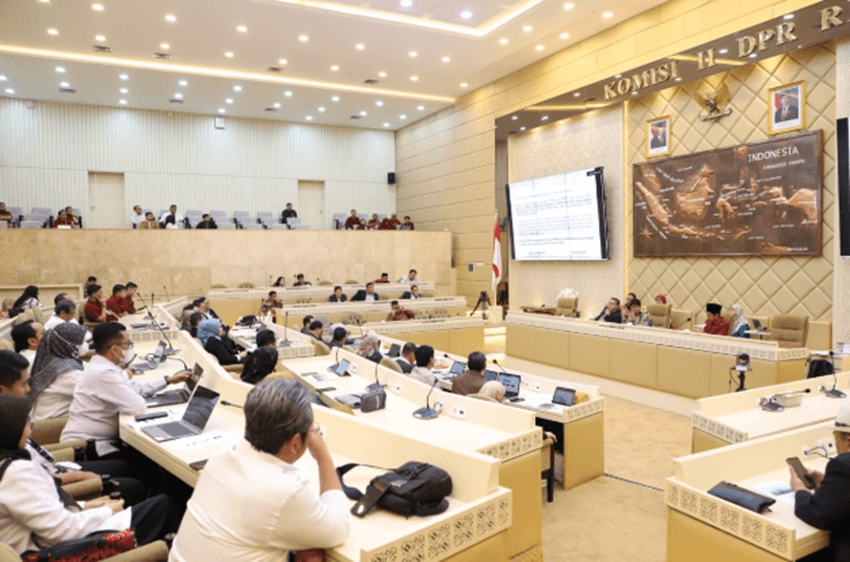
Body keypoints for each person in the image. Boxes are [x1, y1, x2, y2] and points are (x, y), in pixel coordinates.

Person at [169, 379, 349, 562]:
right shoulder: (285, 492)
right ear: (295, 442)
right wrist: (323, 455)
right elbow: (339, 528)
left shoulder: (223, 455)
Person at [0, 394, 182, 554]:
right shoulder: (16, 472)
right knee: (166, 505)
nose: (30, 429)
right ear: (10, 431)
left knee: (159, 504)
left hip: (56, 538)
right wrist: (106, 511)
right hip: (68, 550)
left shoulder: (8, 465)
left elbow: (39, 508)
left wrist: (84, 507)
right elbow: (61, 531)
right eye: (25, 423)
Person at [0, 351, 146, 506]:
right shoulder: (14, 470)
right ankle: (133, 528)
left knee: (129, 467)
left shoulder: (9, 414)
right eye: (23, 384)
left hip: (53, 473)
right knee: (141, 487)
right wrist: (97, 506)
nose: (29, 389)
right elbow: (62, 519)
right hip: (60, 494)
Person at [61, 322, 191, 458]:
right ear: (115, 350)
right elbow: (138, 406)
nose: (130, 348)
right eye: (128, 344)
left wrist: (168, 380)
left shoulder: (104, 366)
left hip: (100, 441)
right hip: (89, 448)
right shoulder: (103, 373)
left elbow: (133, 388)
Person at [790, 405, 850, 561]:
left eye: (835, 435)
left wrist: (800, 490)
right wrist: (827, 482)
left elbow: (818, 515)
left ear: (848, 439)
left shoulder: (843, 464)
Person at [28, 322, 88, 421]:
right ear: (68, 344)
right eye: (82, 341)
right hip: (51, 427)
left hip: (54, 420)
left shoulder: (56, 360)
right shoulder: (64, 371)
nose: (85, 344)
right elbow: (94, 390)